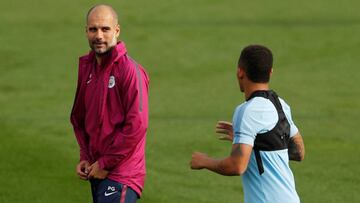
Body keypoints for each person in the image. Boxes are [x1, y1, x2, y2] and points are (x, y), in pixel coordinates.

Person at [190, 45, 305, 203]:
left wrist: (205, 161)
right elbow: (298, 152)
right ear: (270, 72)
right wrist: (252, 142)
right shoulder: (281, 104)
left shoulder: (247, 111)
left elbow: (237, 166)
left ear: (240, 71)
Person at [70, 4, 149, 203]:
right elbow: (79, 118)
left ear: (117, 30)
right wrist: (85, 155)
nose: (99, 35)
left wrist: (105, 163)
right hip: (97, 170)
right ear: (85, 31)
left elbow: (137, 125)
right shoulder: (87, 69)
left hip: (122, 173)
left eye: (105, 29)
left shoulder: (130, 71)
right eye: (93, 29)